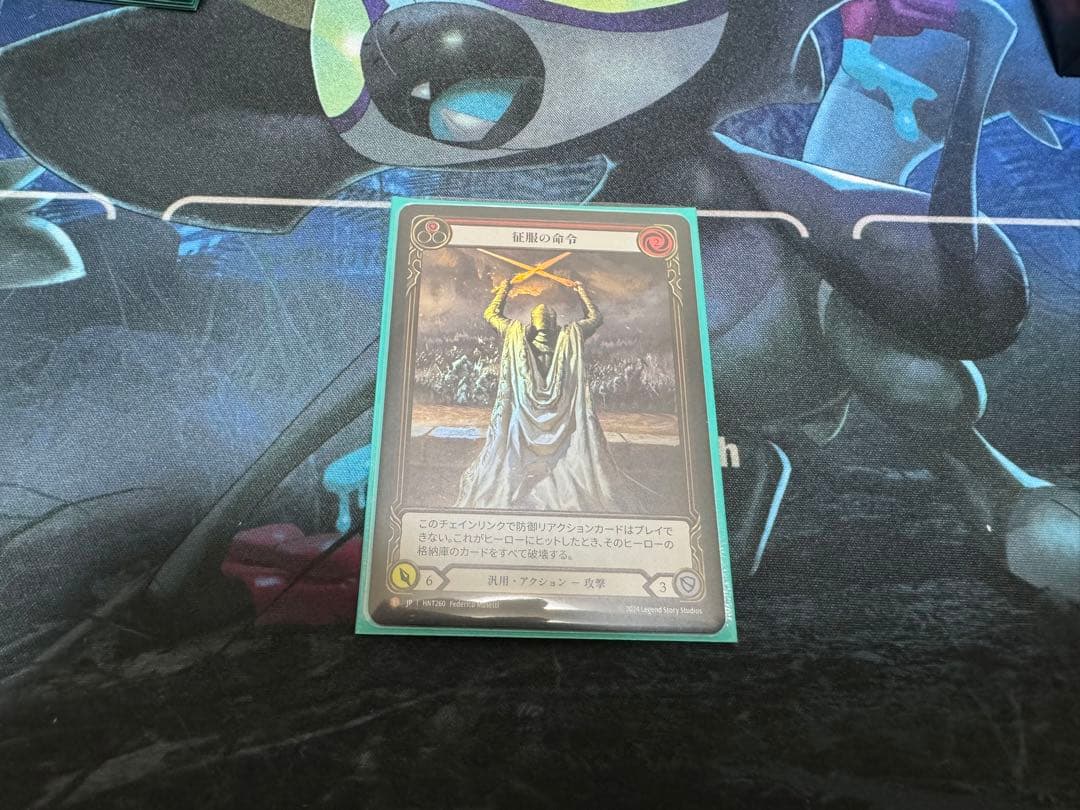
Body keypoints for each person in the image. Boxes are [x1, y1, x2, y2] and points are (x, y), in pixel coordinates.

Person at [456, 277, 630, 511]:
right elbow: (595, 318)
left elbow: (491, 314)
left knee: (513, 437)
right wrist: (581, 291)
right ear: (554, 323)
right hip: (563, 416)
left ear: (533, 323)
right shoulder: (571, 335)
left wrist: (504, 288)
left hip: (523, 415)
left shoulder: (515, 334)